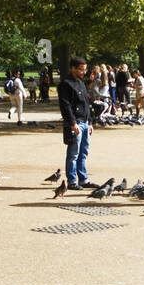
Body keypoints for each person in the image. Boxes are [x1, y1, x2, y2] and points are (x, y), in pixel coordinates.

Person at [58, 56, 94, 190]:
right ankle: (72, 181)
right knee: (73, 153)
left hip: (84, 122)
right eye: (80, 69)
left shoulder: (81, 82)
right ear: (72, 68)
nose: (83, 72)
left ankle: (83, 179)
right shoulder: (65, 84)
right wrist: (73, 123)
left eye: (84, 69)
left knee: (83, 152)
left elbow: (86, 103)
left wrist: (89, 122)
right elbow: (65, 106)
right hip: (75, 123)